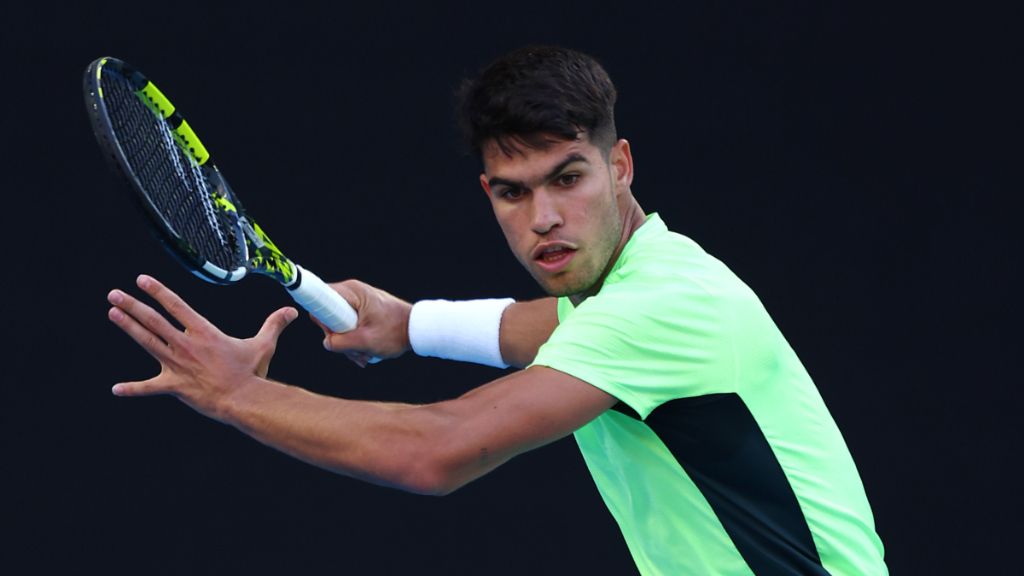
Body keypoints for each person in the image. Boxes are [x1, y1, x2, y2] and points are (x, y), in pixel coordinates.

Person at [107, 45, 887, 575]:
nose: (543, 217)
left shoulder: (663, 309)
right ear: (489, 193)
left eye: (567, 178)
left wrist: (240, 395)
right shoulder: (645, 285)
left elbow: (439, 450)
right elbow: (548, 327)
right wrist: (409, 323)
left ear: (620, 165)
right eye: (514, 192)